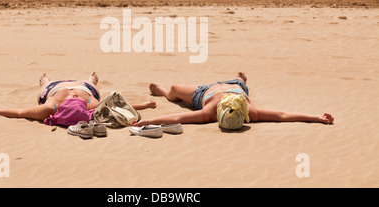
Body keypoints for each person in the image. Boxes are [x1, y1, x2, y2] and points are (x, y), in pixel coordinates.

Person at [132, 72, 334, 130]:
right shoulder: (248, 110)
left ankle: (164, 92)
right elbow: (282, 115)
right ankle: (241, 81)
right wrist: (315, 117)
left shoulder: (208, 111)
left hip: (205, 92)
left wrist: (150, 121)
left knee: (175, 89)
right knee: (239, 81)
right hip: (237, 87)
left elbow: (178, 116)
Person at [0, 72, 156, 126]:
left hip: (54, 87)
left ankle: (45, 82)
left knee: (42, 90)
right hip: (84, 87)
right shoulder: (90, 104)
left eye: (73, 99)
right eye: (75, 99)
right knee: (94, 88)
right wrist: (145, 105)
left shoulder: (50, 107)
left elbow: (19, 113)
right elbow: (121, 107)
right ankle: (90, 81)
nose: (73, 97)